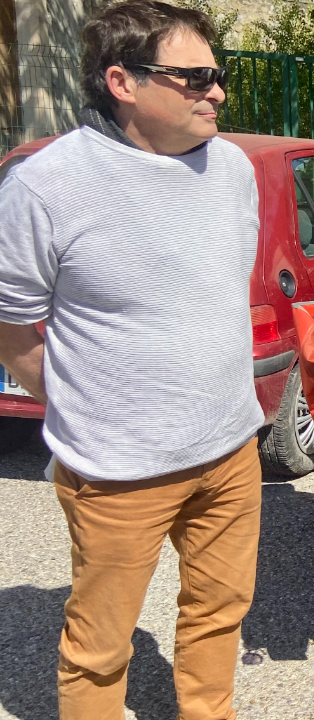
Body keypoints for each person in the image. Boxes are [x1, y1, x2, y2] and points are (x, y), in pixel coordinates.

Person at [0, 2, 263, 718]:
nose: (218, 91)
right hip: (116, 469)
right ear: (122, 81)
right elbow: (12, 323)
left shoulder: (234, 170)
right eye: (196, 77)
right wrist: (83, 407)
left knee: (219, 611)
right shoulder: (45, 185)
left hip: (232, 450)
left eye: (219, 74)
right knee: (100, 644)